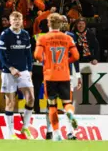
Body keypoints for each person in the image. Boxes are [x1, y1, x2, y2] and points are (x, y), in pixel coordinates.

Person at [34, 13, 80, 141]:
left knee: (52, 105)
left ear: (48, 24)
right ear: (61, 24)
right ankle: (69, 112)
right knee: (67, 102)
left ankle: (56, 133)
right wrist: (66, 61)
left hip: (50, 75)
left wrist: (47, 61)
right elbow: (76, 57)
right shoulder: (67, 38)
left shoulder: (42, 38)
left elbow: (37, 56)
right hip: (64, 74)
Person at [0, 12, 34, 139]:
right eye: (14, 20)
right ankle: (10, 132)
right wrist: (10, 68)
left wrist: (30, 69)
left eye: (19, 19)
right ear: (10, 21)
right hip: (9, 72)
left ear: (22, 21)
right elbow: (1, 55)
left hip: (23, 71)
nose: (16, 22)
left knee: (31, 98)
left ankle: (25, 127)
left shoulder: (25, 34)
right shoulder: (5, 35)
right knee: (10, 102)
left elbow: (29, 53)